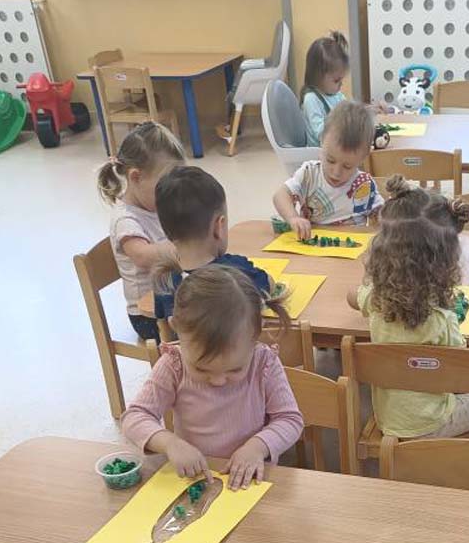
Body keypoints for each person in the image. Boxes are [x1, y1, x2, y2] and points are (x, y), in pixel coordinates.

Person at [348, 197, 469, 440]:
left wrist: (374, 286)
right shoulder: (442, 320)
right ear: (446, 264)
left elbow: (351, 296)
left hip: (388, 419)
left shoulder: (377, 299)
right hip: (433, 423)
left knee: (429, 369)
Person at [122, 266, 303, 491]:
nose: (218, 381)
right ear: (176, 327)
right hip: (195, 479)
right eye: (201, 369)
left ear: (255, 334)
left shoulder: (264, 363)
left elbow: (290, 420)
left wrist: (258, 447)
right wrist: (170, 443)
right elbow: (134, 417)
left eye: (235, 370)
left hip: (250, 480)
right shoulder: (174, 366)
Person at [97, 121, 184, 343]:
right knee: (209, 326)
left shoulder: (154, 204)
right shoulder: (125, 219)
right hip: (147, 315)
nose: (171, 193)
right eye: (164, 185)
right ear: (136, 177)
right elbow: (143, 256)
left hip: (171, 300)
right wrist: (185, 246)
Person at [153, 165, 275, 324]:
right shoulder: (236, 272)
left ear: (166, 231)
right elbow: (268, 285)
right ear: (219, 226)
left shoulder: (164, 279)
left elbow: (163, 325)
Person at [273, 102, 382, 238]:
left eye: (347, 166)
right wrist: (293, 218)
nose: (336, 172)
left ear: (362, 158)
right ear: (322, 141)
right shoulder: (309, 173)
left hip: (351, 248)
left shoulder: (364, 185)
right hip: (313, 245)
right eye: (330, 160)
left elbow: (383, 215)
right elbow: (280, 195)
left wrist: (385, 217)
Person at [301, 30, 350, 146]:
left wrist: (369, 110)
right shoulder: (311, 99)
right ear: (318, 76)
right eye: (336, 80)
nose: (341, 84)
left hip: (336, 146)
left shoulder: (336, 95)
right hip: (321, 152)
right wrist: (341, 122)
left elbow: (351, 111)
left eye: (341, 80)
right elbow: (321, 134)